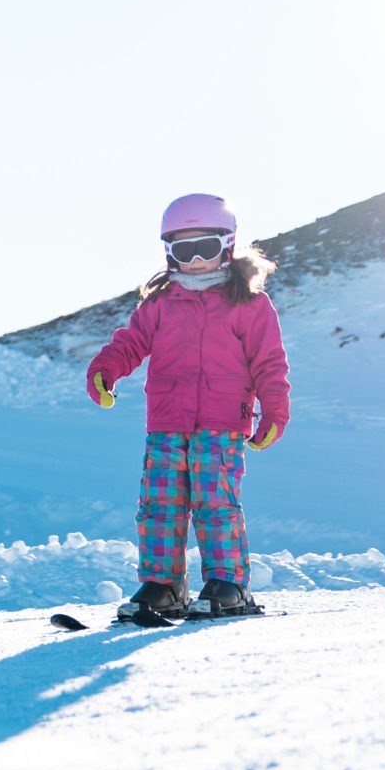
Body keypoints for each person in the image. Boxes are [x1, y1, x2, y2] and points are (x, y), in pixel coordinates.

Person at [85, 193, 291, 621]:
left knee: (215, 501)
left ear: (228, 246)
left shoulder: (249, 304)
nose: (196, 260)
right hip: (166, 422)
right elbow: (131, 342)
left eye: (206, 248)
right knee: (159, 504)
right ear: (169, 253)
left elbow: (269, 363)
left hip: (221, 423)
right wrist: (106, 369)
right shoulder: (160, 303)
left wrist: (274, 410)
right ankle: (163, 585)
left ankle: (228, 583)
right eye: (184, 250)